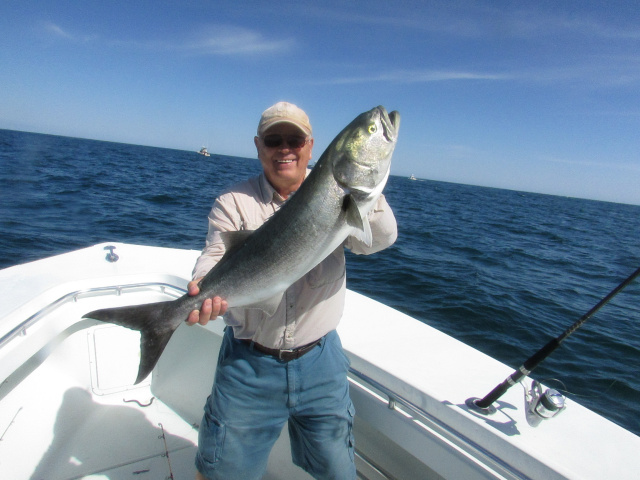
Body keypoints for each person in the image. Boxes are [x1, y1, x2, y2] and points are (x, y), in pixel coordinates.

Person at [187, 101, 397, 480]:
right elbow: (214, 255)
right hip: (248, 365)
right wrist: (202, 291)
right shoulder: (233, 202)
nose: (285, 148)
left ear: (311, 147)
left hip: (321, 363)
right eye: (274, 139)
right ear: (258, 146)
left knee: (338, 471)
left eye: (295, 140)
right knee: (222, 474)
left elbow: (377, 242)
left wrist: (366, 193)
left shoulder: (338, 192)